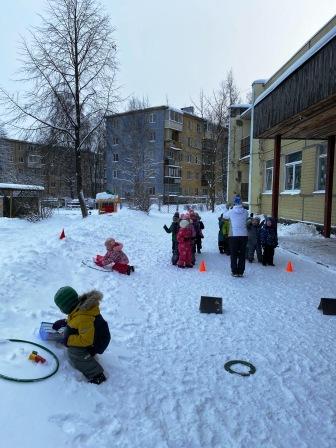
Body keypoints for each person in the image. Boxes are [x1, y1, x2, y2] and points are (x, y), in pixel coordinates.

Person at [52, 286, 111, 385]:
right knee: (71, 333)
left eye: (61, 308)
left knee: (73, 351)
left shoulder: (84, 318)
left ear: (66, 307)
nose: (61, 311)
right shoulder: (80, 308)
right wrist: (66, 322)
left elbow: (86, 340)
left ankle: (96, 374)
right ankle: (87, 353)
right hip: (93, 336)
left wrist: (68, 340)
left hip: (97, 342)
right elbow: (77, 321)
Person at [222, 195, 248, 277]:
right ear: (241, 202)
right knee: (242, 254)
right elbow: (246, 217)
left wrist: (227, 208)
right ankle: (241, 271)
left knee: (233, 254)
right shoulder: (245, 212)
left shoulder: (231, 212)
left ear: (234, 203)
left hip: (234, 235)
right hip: (244, 235)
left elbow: (224, 216)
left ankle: (234, 271)